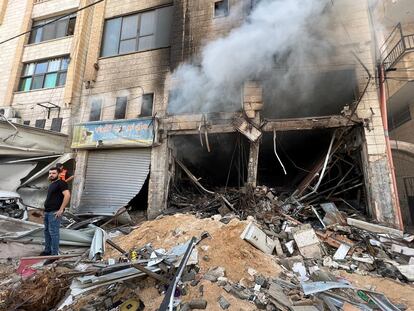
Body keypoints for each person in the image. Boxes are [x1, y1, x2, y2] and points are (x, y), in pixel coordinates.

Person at [40, 167, 71, 256]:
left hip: (54, 212)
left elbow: (67, 195)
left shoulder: (61, 183)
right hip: (47, 212)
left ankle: (54, 255)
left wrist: (61, 209)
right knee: (46, 232)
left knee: (54, 233)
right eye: (50, 173)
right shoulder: (52, 184)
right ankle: (47, 251)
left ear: (58, 174)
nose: (51, 175)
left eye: (53, 173)